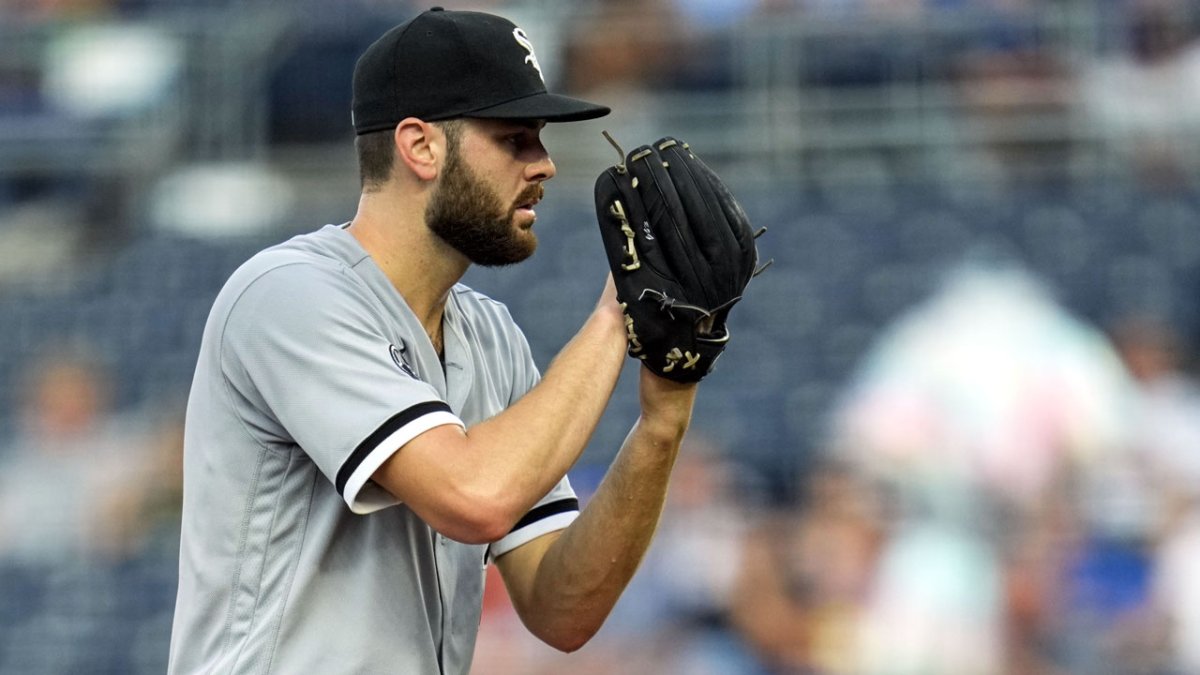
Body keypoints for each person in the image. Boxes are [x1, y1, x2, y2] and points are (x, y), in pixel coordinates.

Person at [167, 8, 703, 674]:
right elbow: (473, 495)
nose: (545, 164)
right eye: (515, 138)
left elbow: (562, 608)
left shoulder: (490, 338)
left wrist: (663, 418)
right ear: (420, 146)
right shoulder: (287, 294)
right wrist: (616, 311)